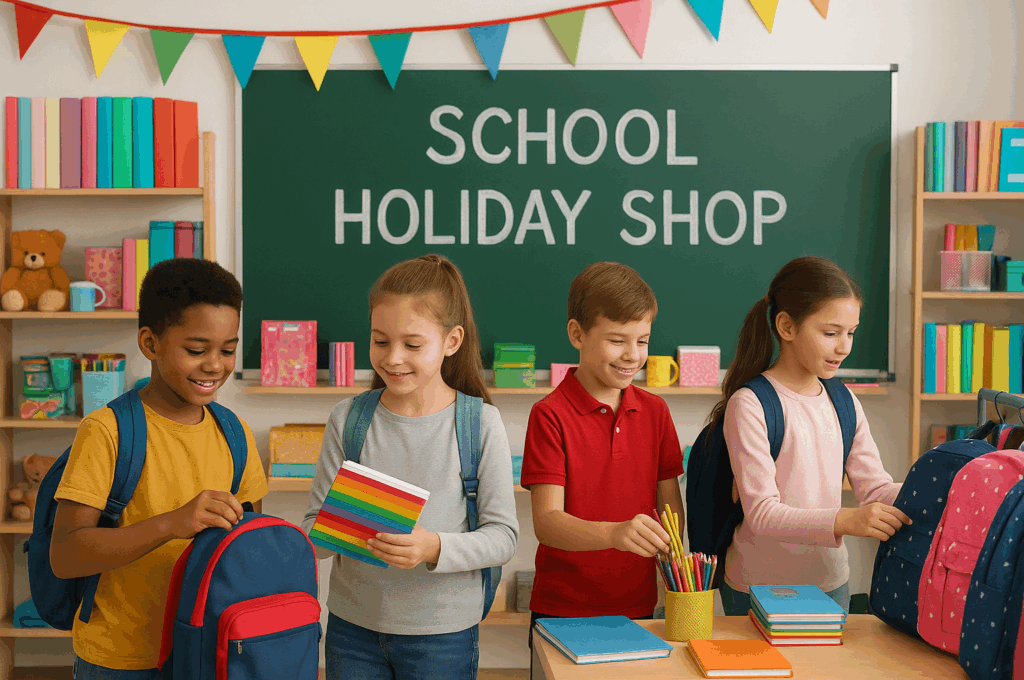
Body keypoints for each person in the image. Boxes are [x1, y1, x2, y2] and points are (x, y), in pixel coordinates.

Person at [302, 254, 518, 680]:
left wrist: (432, 547)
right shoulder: (349, 419)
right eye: (380, 341)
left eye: (412, 345)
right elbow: (315, 530)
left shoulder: (479, 423)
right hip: (352, 629)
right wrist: (326, 535)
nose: (393, 358)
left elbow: (503, 537)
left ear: (451, 341)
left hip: (443, 635)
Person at [50, 258, 268, 678]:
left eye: (227, 350)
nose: (215, 366)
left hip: (206, 650)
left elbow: (245, 546)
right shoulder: (106, 431)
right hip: (121, 659)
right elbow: (66, 555)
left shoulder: (235, 433)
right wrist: (173, 523)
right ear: (150, 344)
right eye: (196, 350)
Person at [711, 255, 909, 615]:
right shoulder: (751, 404)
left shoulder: (843, 399)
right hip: (758, 588)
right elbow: (763, 514)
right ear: (786, 327)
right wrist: (843, 520)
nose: (844, 347)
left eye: (851, 333)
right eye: (830, 333)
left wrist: (935, 488)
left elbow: (875, 489)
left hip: (831, 584)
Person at [521, 261, 684, 663]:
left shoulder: (655, 411)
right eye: (617, 340)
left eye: (643, 341)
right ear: (577, 333)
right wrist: (614, 534)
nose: (633, 356)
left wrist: (677, 569)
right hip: (562, 613)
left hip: (638, 610)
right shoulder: (550, 414)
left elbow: (669, 507)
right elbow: (547, 522)